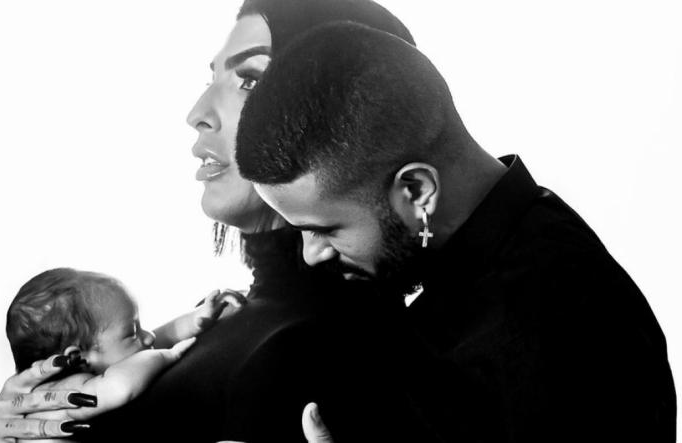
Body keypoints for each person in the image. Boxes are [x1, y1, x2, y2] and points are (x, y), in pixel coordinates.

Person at [0, 1, 420, 442]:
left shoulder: (316, 351)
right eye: (211, 81)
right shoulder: (224, 323)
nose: (197, 113)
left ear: (346, 118)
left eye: (250, 80)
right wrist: (15, 430)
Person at [236, 22, 676, 442]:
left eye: (324, 229)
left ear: (416, 191)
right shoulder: (472, 263)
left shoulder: (561, 330)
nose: (312, 254)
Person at [6, 268, 217, 442]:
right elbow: (123, 384)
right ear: (78, 358)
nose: (150, 336)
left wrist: (192, 321)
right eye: (132, 332)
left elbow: (144, 348)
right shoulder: (69, 392)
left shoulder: (92, 373)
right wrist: (169, 355)